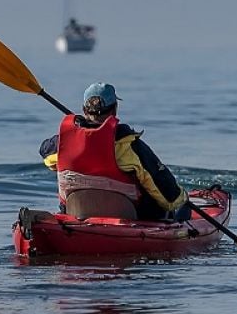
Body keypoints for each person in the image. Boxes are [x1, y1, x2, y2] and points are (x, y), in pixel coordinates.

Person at [39, 82, 189, 221]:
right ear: (115, 109)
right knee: (182, 204)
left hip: (76, 216)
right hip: (131, 220)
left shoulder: (62, 145)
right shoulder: (129, 146)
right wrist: (180, 199)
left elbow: (45, 154)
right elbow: (169, 197)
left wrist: (79, 127)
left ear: (84, 109)